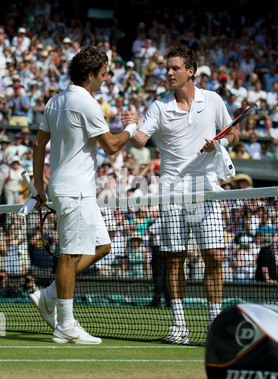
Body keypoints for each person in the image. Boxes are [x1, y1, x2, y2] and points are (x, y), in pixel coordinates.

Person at [121, 43, 239, 344]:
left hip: (206, 187)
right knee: (175, 258)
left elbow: (234, 133)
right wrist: (132, 126)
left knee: (213, 255)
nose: (169, 73)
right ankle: (179, 325)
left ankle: (214, 324)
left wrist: (222, 144)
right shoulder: (159, 107)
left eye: (175, 68)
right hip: (172, 188)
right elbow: (139, 142)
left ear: (190, 71)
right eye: (167, 68)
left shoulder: (212, 100)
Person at [29, 45, 137, 345]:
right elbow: (112, 146)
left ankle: (50, 295)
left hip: (77, 190)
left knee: (102, 246)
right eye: (103, 74)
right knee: (70, 255)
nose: (105, 79)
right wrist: (131, 128)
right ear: (90, 74)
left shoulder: (55, 101)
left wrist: (39, 185)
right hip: (74, 190)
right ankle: (65, 324)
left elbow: (38, 147)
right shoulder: (88, 104)